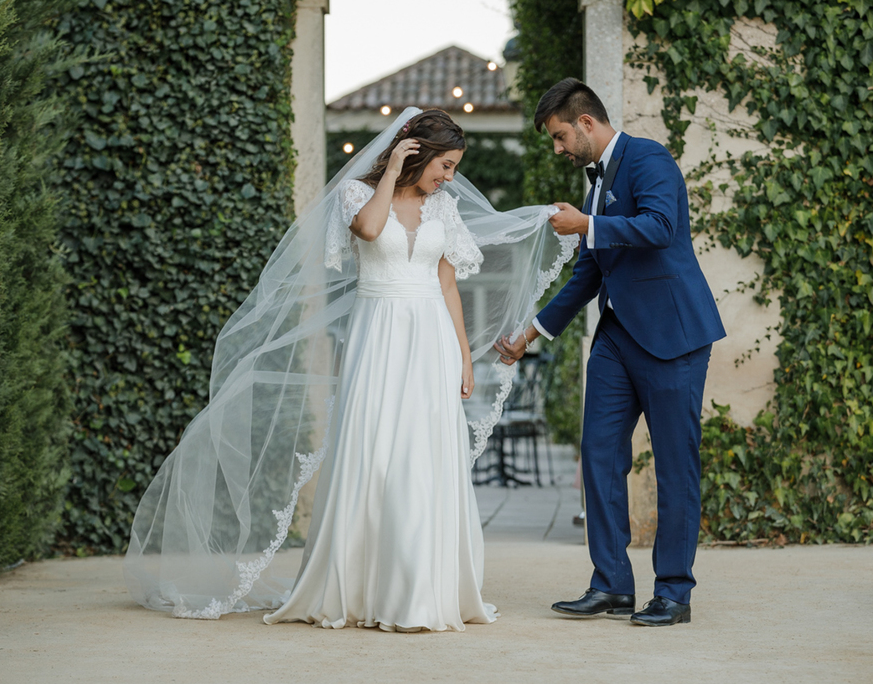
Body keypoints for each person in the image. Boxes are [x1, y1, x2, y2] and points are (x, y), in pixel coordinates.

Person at [124, 107, 577, 629]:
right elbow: (367, 230)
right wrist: (390, 175)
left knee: (423, 454)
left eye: (453, 167)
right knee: (375, 450)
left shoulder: (444, 208)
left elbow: (448, 284)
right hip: (378, 333)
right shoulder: (360, 194)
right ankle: (362, 589)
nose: (448, 177)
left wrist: (459, 354)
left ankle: (421, 590)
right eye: (444, 165)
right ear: (415, 152)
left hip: (430, 335)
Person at [495, 79, 726, 627]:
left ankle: (672, 592)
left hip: (673, 338)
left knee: (674, 469)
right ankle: (612, 585)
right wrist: (529, 336)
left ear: (587, 123)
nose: (557, 148)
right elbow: (588, 274)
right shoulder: (593, 183)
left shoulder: (650, 158)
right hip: (616, 341)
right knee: (598, 457)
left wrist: (588, 224)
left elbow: (661, 227)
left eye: (559, 137)